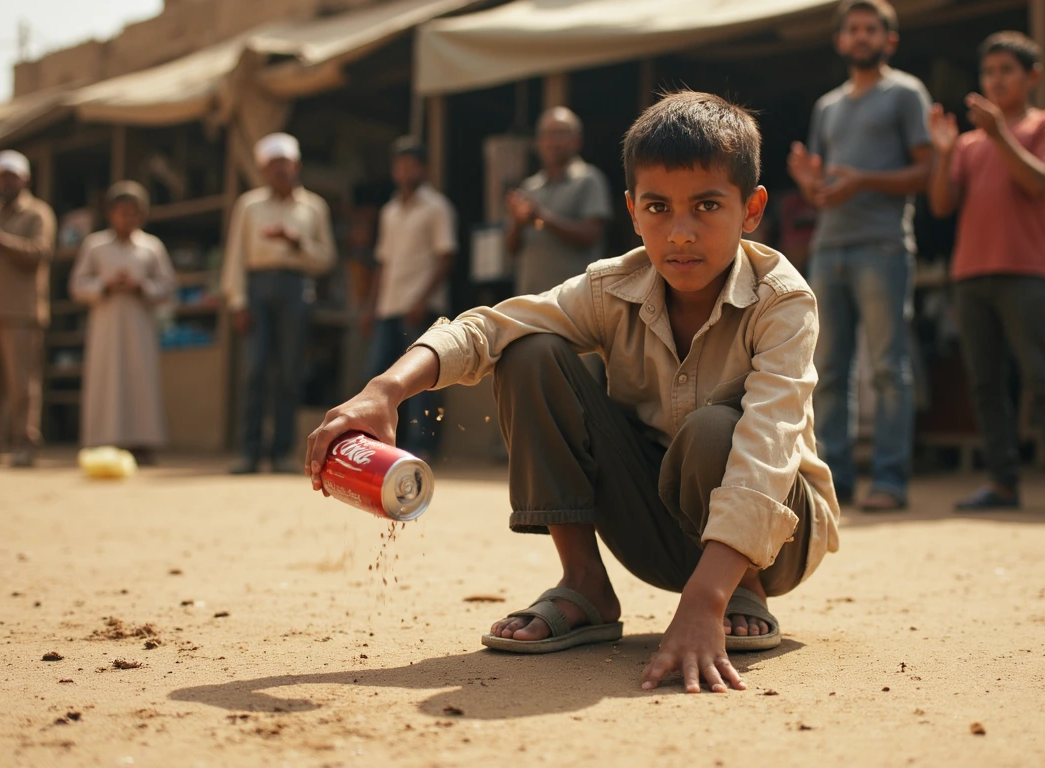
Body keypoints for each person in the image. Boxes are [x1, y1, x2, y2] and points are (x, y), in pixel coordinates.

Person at [308, 92, 840, 694]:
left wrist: (705, 599)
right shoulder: (614, 286)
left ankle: (739, 590)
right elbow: (491, 327)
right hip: (653, 526)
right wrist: (384, 390)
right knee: (530, 349)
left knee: (718, 427)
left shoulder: (783, 303)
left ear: (752, 209)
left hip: (777, 543)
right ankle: (584, 582)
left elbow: (769, 446)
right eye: (659, 207)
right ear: (633, 212)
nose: (681, 232)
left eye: (707, 205)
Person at [927, 32, 1045, 516]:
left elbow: (1039, 180)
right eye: (989, 71)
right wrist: (942, 152)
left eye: (1007, 70)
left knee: (1041, 375)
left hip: (1024, 271)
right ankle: (1002, 481)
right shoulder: (968, 143)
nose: (996, 80)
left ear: (1033, 76)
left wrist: (999, 133)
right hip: (970, 274)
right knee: (985, 382)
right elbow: (941, 204)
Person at [786, 0, 933, 511]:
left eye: (873, 29)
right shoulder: (828, 106)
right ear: (841, 41)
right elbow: (826, 188)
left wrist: (862, 181)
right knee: (827, 369)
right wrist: (811, 185)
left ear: (889, 40)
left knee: (889, 367)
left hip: (883, 243)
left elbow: (926, 171)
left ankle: (890, 480)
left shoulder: (906, 92)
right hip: (830, 246)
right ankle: (836, 482)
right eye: (855, 29)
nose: (863, 36)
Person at [222, 133, 336, 474]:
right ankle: (250, 452)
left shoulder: (314, 207)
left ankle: (282, 453)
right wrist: (238, 301)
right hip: (257, 289)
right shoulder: (249, 205)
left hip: (296, 288)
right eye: (273, 166)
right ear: (263, 170)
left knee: (290, 371)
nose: (280, 171)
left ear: (296, 166)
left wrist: (297, 243)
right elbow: (235, 257)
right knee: (256, 370)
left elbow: (326, 259)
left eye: (285, 164)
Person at [359, 137, 457, 460]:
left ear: (424, 169)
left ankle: (423, 446)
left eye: (411, 165)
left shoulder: (437, 207)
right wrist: (370, 308)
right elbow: (383, 264)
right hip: (389, 306)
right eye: (399, 165)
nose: (404, 171)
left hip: (422, 308)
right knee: (380, 375)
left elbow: (446, 259)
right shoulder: (389, 211)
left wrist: (421, 300)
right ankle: (381, 446)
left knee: (422, 381)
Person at [70, 182, 176, 464]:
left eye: (134, 213)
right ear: (110, 213)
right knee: (106, 379)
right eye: (122, 212)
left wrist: (141, 287)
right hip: (106, 323)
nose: (128, 218)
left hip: (140, 324)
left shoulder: (151, 247)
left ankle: (143, 443)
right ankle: (103, 441)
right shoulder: (95, 245)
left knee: (140, 380)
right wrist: (104, 284)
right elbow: (77, 284)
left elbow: (167, 285)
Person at [0, 150, 57, 468]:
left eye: (11, 176)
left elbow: (39, 254)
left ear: (25, 179)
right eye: (0, 176)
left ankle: (24, 444)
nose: (5, 182)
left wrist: (1, 241)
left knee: (22, 385)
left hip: (21, 311)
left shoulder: (37, 213)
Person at [506, 107, 613, 296]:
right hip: (531, 301)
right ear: (538, 142)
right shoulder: (530, 187)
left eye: (561, 133)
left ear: (577, 141)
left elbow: (592, 235)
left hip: (575, 302)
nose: (553, 141)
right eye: (548, 134)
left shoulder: (589, 179)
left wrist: (542, 217)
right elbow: (511, 249)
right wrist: (517, 222)